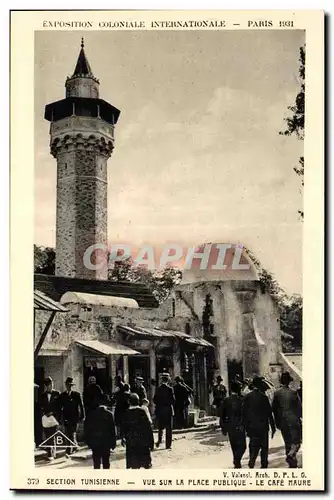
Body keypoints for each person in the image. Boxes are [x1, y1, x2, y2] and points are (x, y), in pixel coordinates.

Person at [242, 375, 276, 469]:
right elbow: (269, 414)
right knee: (264, 448)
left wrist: (244, 427)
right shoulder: (264, 397)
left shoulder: (247, 397)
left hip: (251, 427)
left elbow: (243, 413)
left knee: (253, 445)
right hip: (263, 428)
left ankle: (252, 460)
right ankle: (263, 466)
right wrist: (273, 428)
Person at [272, 372, 302, 468]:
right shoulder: (294, 393)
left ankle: (291, 462)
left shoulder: (276, 393)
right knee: (297, 441)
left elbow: (274, 409)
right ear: (289, 382)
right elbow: (299, 408)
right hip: (294, 420)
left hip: (283, 421)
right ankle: (291, 455)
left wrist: (277, 423)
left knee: (287, 442)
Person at [84, 394, 116, 469]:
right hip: (106, 443)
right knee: (106, 463)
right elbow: (113, 430)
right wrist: (113, 443)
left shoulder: (91, 414)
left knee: (96, 463)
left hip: (95, 443)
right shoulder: (109, 414)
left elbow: (87, 429)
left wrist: (88, 442)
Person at [123, 393, 154, 469]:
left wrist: (123, 438)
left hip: (131, 442)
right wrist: (151, 442)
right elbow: (148, 428)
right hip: (142, 442)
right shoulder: (142, 412)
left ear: (129, 402)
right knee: (144, 463)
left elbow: (124, 428)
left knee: (134, 465)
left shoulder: (126, 413)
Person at [220, 381, 246, 468]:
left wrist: (223, 427)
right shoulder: (242, 399)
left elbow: (222, 415)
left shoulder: (227, 400)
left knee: (234, 446)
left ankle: (236, 460)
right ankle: (237, 460)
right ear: (239, 389)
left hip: (230, 426)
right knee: (243, 446)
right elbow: (245, 414)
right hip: (240, 426)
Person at [58, 377, 85, 456]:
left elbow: (81, 405)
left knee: (72, 433)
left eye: (70, 385)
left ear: (72, 386)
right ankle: (73, 446)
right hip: (66, 417)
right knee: (67, 433)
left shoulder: (76, 395)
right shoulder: (62, 395)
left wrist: (82, 416)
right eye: (68, 385)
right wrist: (59, 418)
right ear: (66, 385)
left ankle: (70, 449)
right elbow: (59, 406)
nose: (69, 387)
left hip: (74, 417)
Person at [39, 377, 60, 460]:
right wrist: (44, 413)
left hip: (54, 418)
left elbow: (59, 406)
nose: (51, 386)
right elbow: (40, 407)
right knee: (47, 436)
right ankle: (50, 453)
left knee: (52, 435)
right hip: (46, 418)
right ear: (46, 386)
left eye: (52, 384)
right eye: (49, 385)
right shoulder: (42, 396)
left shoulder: (57, 394)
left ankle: (51, 454)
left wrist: (53, 413)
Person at [154, 373, 175, 449]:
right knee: (169, 428)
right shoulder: (170, 389)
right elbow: (173, 400)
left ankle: (159, 441)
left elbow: (155, 400)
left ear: (162, 380)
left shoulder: (158, 389)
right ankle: (168, 445)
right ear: (168, 380)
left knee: (160, 427)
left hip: (160, 410)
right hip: (168, 410)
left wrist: (160, 405)